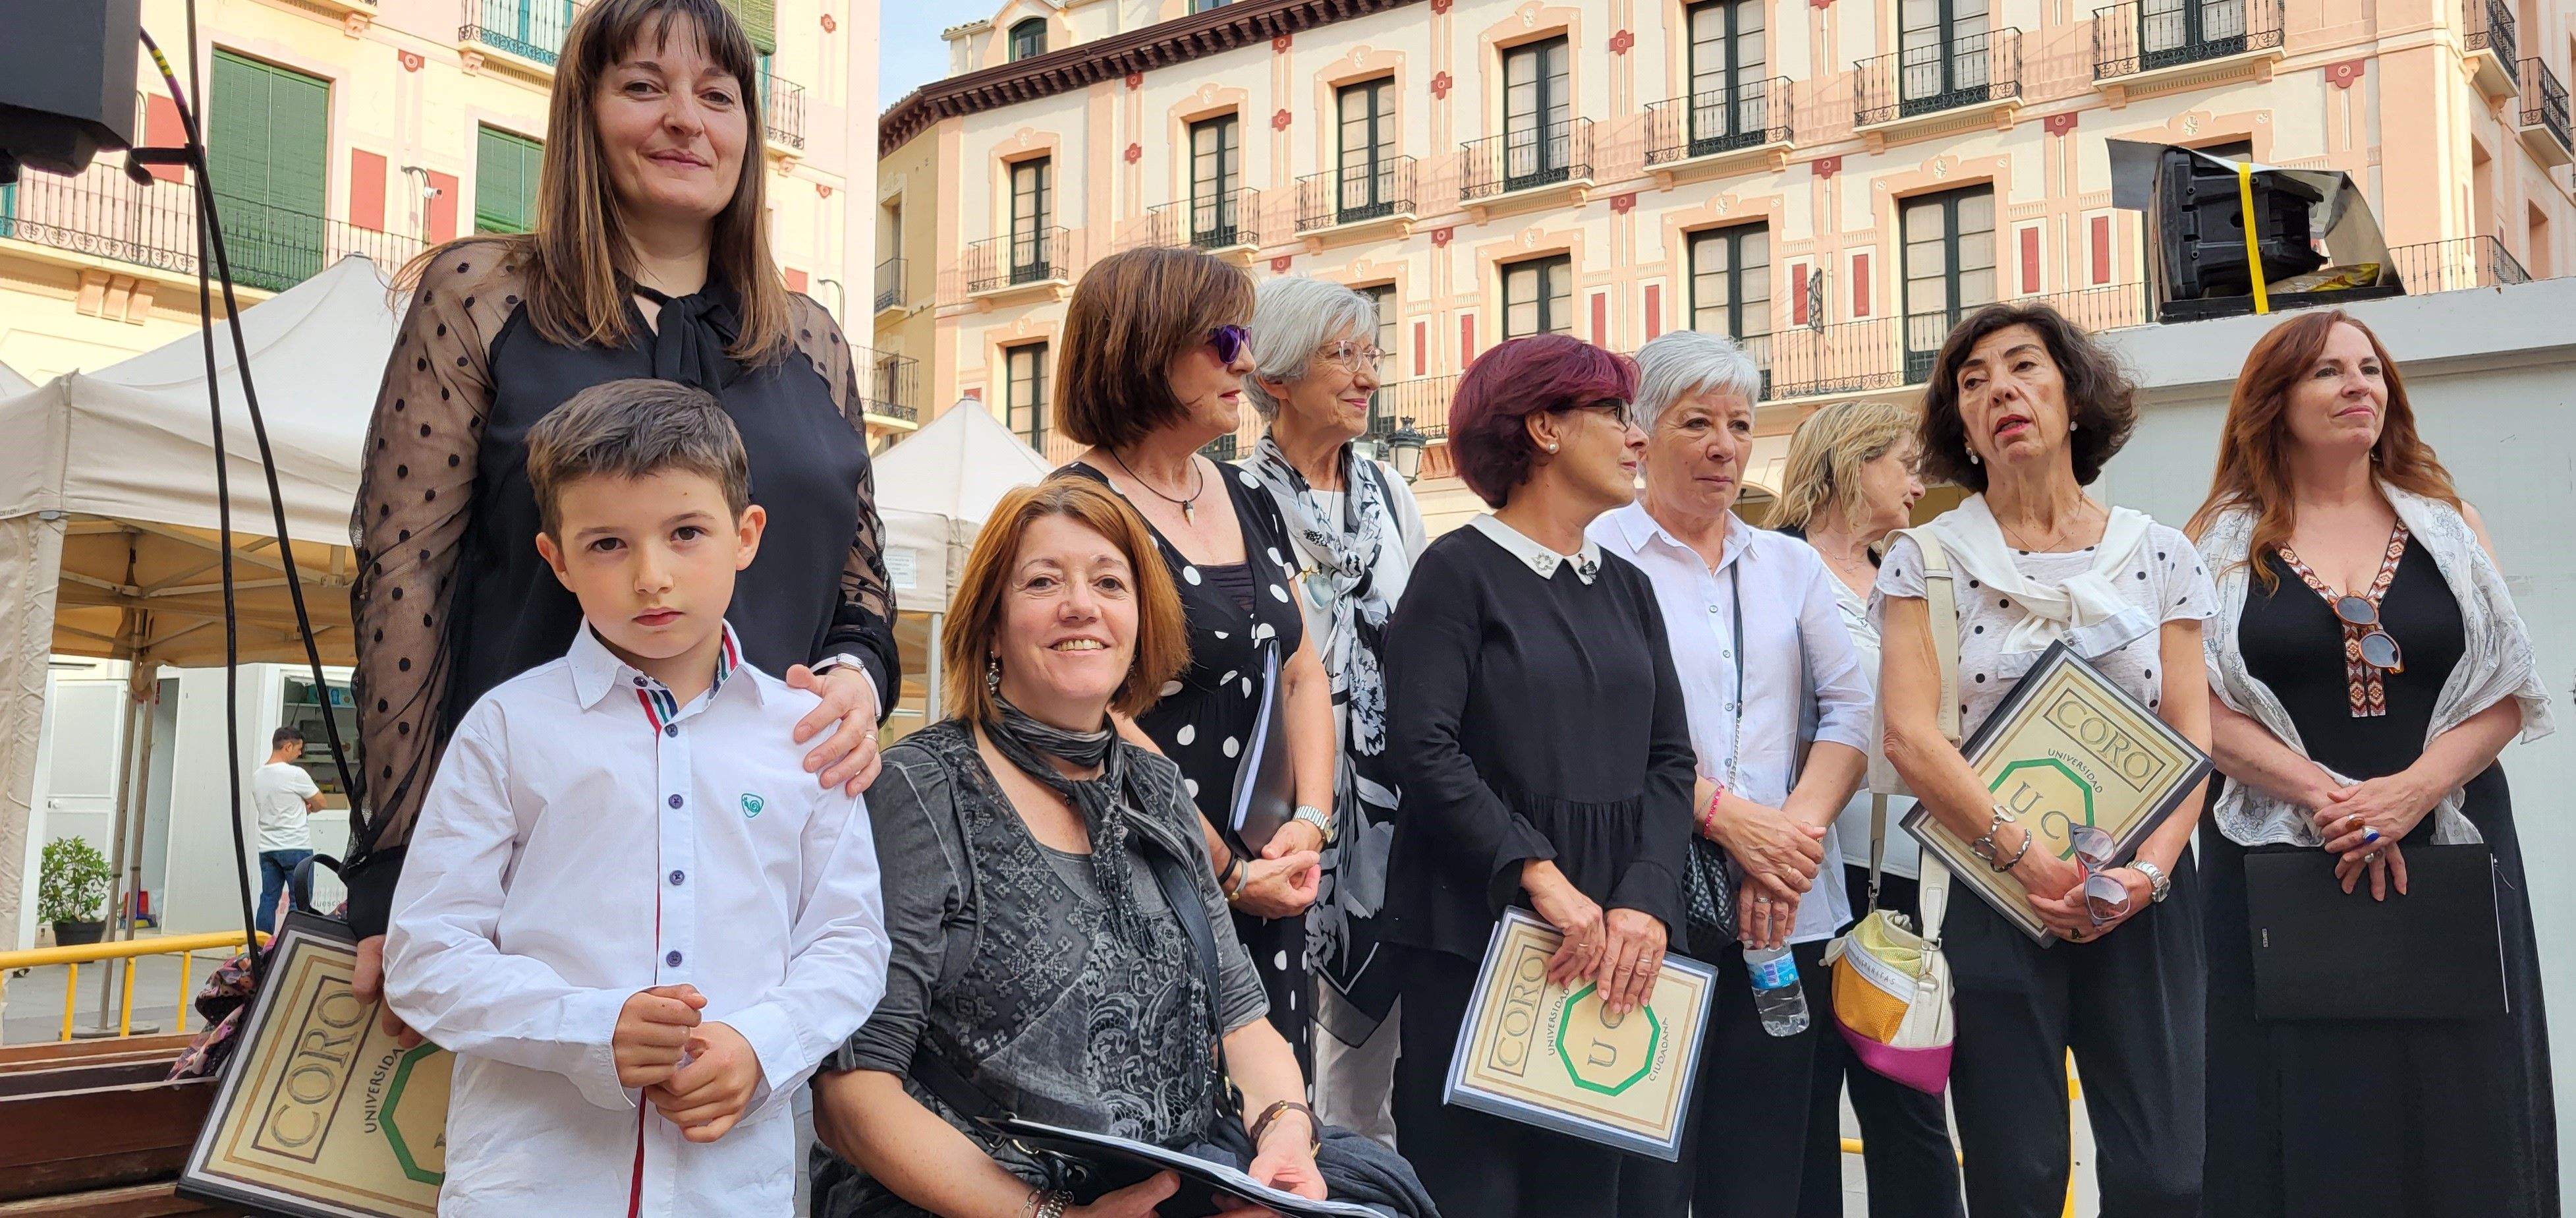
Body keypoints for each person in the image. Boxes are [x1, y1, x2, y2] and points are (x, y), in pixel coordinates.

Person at [347, 0, 896, 1031]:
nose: (686, 120)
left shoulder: (812, 339)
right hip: (539, 875)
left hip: (763, 869)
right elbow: (401, 581)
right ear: (583, 116)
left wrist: (858, 683)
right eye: (645, 87)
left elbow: (860, 585)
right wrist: (395, 866)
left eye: (719, 96)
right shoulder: (483, 295)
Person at [808, 478, 1432, 1218]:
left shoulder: (1156, 790)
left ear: (1140, 621)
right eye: (1043, 581)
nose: (1083, 605)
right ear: (990, 626)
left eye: (1110, 582)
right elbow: (851, 1096)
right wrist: (1050, 1217)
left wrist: (1284, 1143)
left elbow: (1242, 1023)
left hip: (1179, 1181)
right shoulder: (919, 789)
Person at [383, 379, 891, 1215]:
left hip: (730, 1187)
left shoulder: (806, 736)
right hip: (534, 1186)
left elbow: (848, 943)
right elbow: (427, 957)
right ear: (557, 560)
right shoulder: (508, 727)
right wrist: (591, 1029)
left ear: (746, 534)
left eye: (685, 532)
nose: (652, 577)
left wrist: (759, 1048)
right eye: (609, 544)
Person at [2186, 310, 2558, 1217]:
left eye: (2369, 369)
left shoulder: (2447, 525)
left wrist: (2413, 794)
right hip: (2275, 855)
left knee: (2464, 1100)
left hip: (2453, 845)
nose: (2358, 385)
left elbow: (2508, 690)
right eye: (2327, 373)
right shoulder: (2219, 540)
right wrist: (2328, 797)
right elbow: (2193, 703)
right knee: (2303, 1102)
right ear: (2273, 403)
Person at [1876, 303, 2216, 1217]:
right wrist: (2025, 859)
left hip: (2142, 905)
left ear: (2073, 398)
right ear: (1962, 425)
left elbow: (2194, 740)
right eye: (1972, 381)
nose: (1999, 392)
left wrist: (2144, 875)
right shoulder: (1926, 557)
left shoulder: (2161, 555)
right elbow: (1908, 734)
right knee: (2016, 1175)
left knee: (2165, 1175)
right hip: (1993, 893)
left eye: (2023, 367)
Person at [1382, 334, 1695, 1217]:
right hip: (1476, 938)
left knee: (1585, 1200)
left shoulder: (1628, 587)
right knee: (1473, 1195)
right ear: (1544, 428)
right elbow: (1421, 747)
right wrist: (1537, 876)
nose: (1637, 438)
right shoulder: (1455, 572)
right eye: (1614, 414)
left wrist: (1643, 896)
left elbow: (1670, 759)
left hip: (1608, 949)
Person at [1591, 331, 1874, 1218]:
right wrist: (1726, 820)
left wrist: (1788, 835)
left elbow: (1853, 713)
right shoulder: (1599, 553)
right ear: (1641, 433)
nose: (1722, 445)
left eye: (1740, 424)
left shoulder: (1786, 564)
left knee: (1762, 1172)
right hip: (1644, 904)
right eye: (1697, 422)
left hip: (1783, 905)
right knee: (1645, 1174)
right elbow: (1592, 732)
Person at [1050, 246, 1335, 1075]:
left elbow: (1301, 670)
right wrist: (1224, 869)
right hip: (1150, 882)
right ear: (1145, 346)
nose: (1245, 360)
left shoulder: (1244, 495)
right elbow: (1094, 716)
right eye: (1223, 339)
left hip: (1270, 880)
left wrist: (1307, 828)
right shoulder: (1078, 509)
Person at [1239, 275, 1426, 1144]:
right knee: (1278, 1069)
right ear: (1275, 376)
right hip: (1281, 822)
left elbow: (1422, 642)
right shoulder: (1234, 502)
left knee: (1375, 1087)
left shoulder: (1392, 498)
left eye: (1370, 355)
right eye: (1341, 355)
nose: (1366, 376)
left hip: (1390, 825)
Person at [1770, 399, 1962, 1218]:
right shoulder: (1769, 567)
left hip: (1908, 868)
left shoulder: (1911, 578)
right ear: (1851, 463)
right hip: (1795, 863)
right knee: (1798, 1103)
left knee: (1908, 1092)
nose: (1918, 482)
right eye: (1904, 463)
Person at [251, 726, 324, 935]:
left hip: (268, 849)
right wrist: (308, 807)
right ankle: (292, 947)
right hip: (296, 847)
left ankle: (260, 950)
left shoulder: (258, 777)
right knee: (299, 902)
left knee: (268, 899)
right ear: (288, 746)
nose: (300, 753)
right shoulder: (295, 774)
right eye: (299, 749)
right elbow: (321, 802)